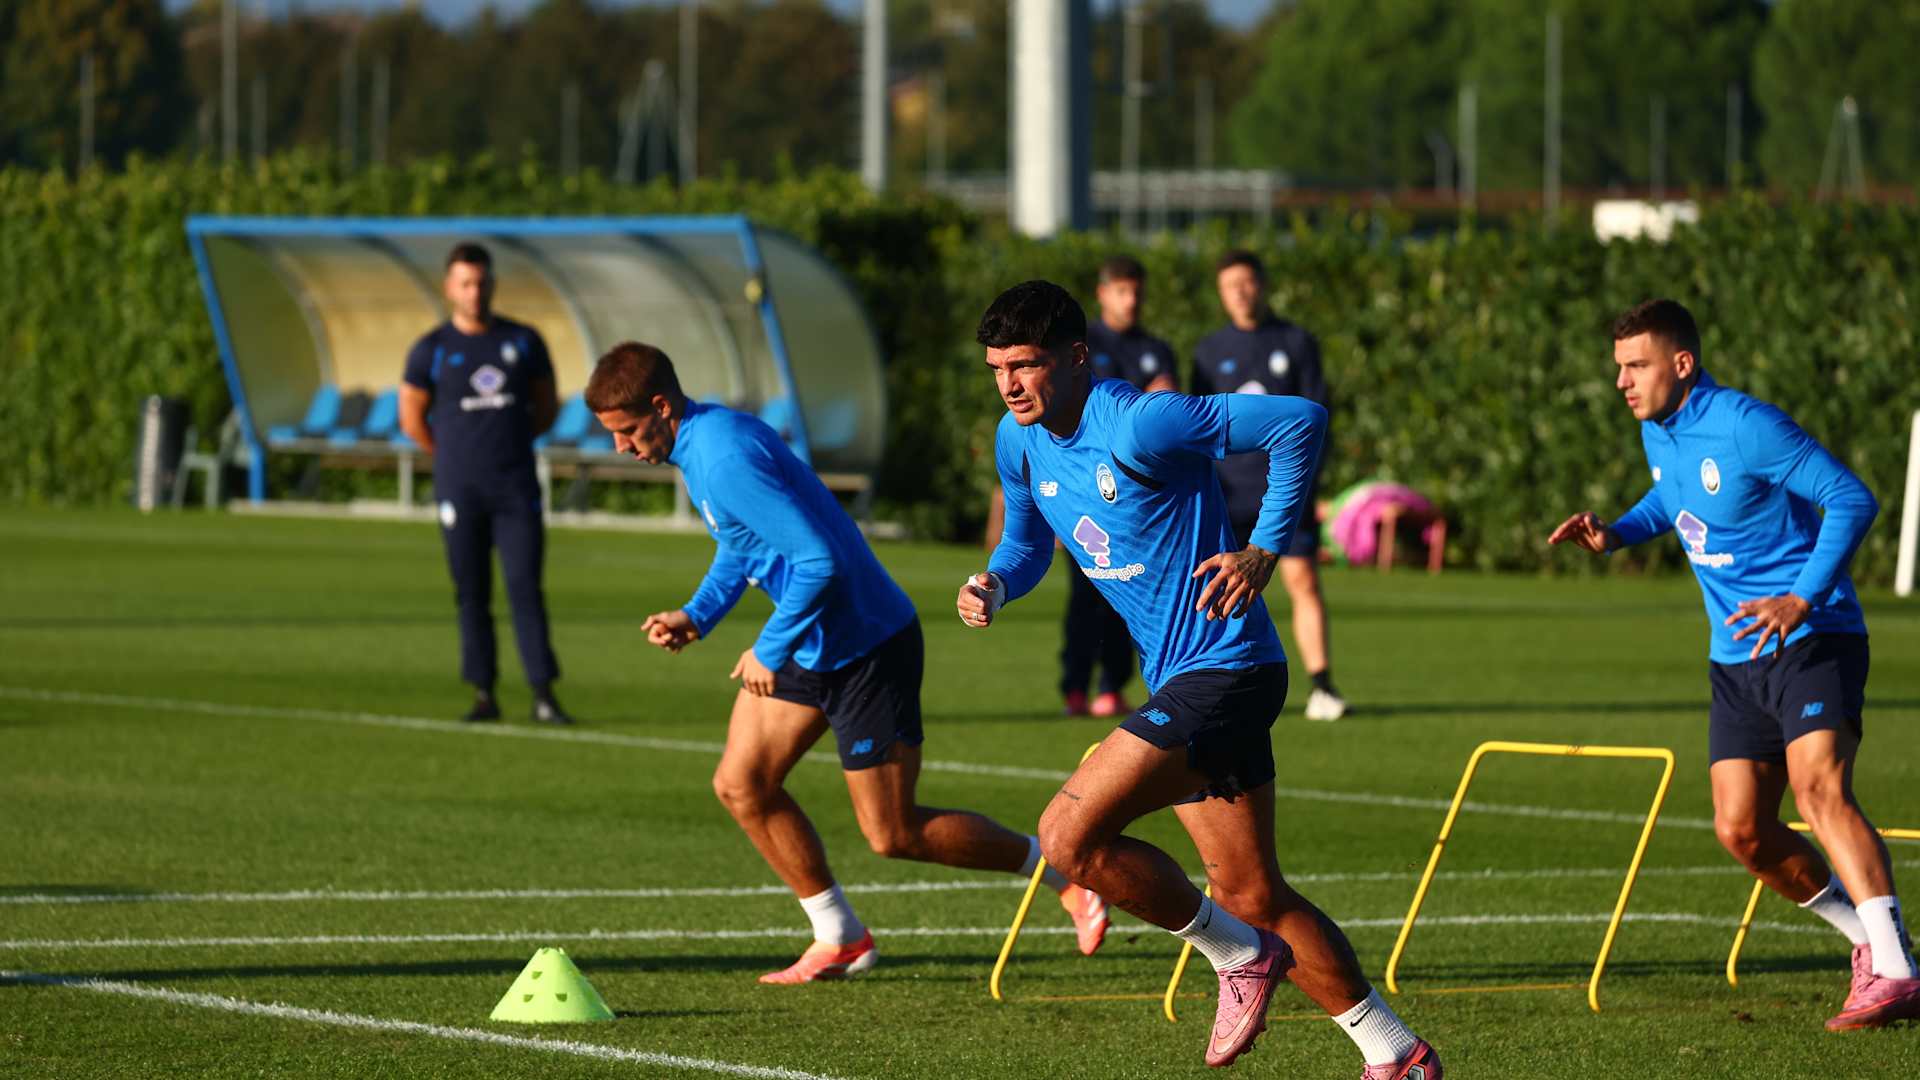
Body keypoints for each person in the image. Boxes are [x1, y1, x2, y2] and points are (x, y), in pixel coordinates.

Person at [957, 282, 1441, 1077]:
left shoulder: (1141, 423)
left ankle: (1236, 957)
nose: (1009, 385)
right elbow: (1028, 543)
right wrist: (997, 583)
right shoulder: (1021, 440)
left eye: (1026, 365)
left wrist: (1264, 548)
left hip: (1227, 672)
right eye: (997, 369)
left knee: (1067, 838)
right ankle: (1397, 1054)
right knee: (1255, 896)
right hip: (1186, 679)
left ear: (1076, 357)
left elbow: (1300, 421)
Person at [587, 341, 1109, 984]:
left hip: (867, 646)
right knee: (742, 784)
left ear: (661, 407)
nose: (621, 447)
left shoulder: (721, 456)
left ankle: (1063, 875)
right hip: (813, 638)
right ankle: (839, 935)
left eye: (627, 431)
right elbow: (744, 542)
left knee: (893, 833)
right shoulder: (701, 446)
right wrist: (697, 614)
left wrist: (768, 648)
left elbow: (818, 561)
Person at [1550, 298, 1916, 1031]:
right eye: (1619, 367)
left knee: (1819, 790)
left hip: (1814, 639)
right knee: (1741, 829)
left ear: (1682, 363)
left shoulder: (1748, 424)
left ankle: (1899, 973)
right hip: (1735, 657)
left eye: (1637, 366)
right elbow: (1675, 499)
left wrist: (1802, 598)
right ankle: (1868, 943)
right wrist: (1616, 533)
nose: (1622, 382)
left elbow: (1852, 499)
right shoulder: (1657, 428)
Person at [399, 242, 573, 726]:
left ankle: (543, 692)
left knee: (525, 587)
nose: (474, 293)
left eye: (481, 282)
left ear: (493, 284)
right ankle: (483, 693)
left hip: (515, 487)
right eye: (465, 284)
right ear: (449, 288)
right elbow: (411, 418)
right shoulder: (432, 349)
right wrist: (452, 456)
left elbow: (546, 408)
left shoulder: (524, 341)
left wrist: (510, 444)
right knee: (471, 592)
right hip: (460, 490)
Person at [1191, 250, 1348, 722]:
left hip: (1281, 494)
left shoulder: (1296, 342)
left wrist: (1310, 485)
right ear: (1220, 293)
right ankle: (1212, 683)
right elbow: (1193, 427)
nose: (1240, 293)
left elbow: (1316, 420)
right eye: (1230, 285)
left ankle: (1322, 685)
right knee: (1216, 588)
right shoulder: (1208, 351)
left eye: (1247, 282)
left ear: (1262, 285)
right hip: (1224, 494)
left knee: (1303, 581)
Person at [1058, 255, 1179, 718]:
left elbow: (1169, 416)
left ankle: (1112, 686)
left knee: (1129, 593)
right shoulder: (1081, 347)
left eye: (1137, 292)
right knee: (1085, 596)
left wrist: (1164, 400)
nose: (1131, 301)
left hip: (1137, 499)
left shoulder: (1157, 350)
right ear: (1103, 293)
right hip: (1085, 492)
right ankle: (1074, 686)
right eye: (1122, 291)